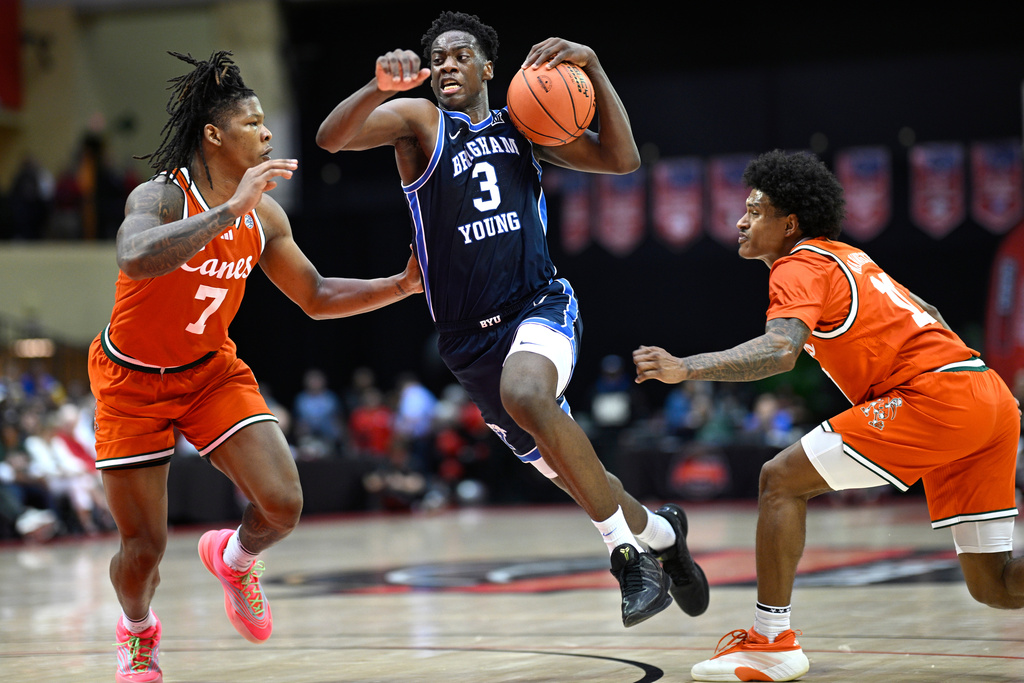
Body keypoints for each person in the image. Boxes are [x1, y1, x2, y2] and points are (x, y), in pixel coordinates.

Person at [315, 10, 708, 627]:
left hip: (538, 304)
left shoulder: (524, 127)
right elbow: (331, 139)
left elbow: (622, 159)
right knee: (583, 478)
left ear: (487, 67)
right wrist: (376, 88)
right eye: (437, 56)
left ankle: (627, 558)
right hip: (468, 343)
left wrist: (595, 68)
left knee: (525, 391)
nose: (447, 63)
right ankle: (661, 532)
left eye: (460, 53)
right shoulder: (419, 123)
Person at [90, 51, 422, 683]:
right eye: (254, 123)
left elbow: (317, 296)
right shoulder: (161, 195)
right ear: (214, 135)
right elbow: (134, 259)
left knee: (283, 504)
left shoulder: (267, 215)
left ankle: (237, 559)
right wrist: (226, 210)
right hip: (130, 382)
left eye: (267, 123)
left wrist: (399, 286)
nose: (268, 134)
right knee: (143, 552)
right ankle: (137, 631)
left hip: (209, 372)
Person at [633, 149, 1023, 682]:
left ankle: (771, 642)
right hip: (986, 395)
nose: (741, 220)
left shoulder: (799, 265)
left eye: (755, 210)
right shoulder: (849, 257)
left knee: (780, 480)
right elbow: (928, 312)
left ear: (789, 223)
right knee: (995, 585)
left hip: (937, 398)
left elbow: (779, 351)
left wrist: (685, 367)